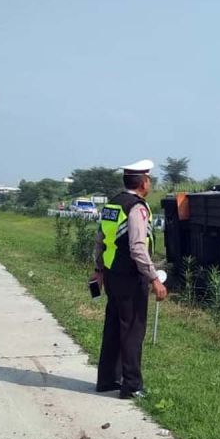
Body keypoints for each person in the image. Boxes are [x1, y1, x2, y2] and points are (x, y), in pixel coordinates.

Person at [92, 159, 167, 399]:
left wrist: (99, 270)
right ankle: (132, 385)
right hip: (130, 277)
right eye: (149, 179)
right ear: (143, 182)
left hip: (113, 275)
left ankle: (107, 380)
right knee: (133, 330)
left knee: (114, 327)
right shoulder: (136, 208)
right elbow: (137, 247)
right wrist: (154, 278)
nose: (150, 182)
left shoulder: (113, 205)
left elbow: (101, 241)